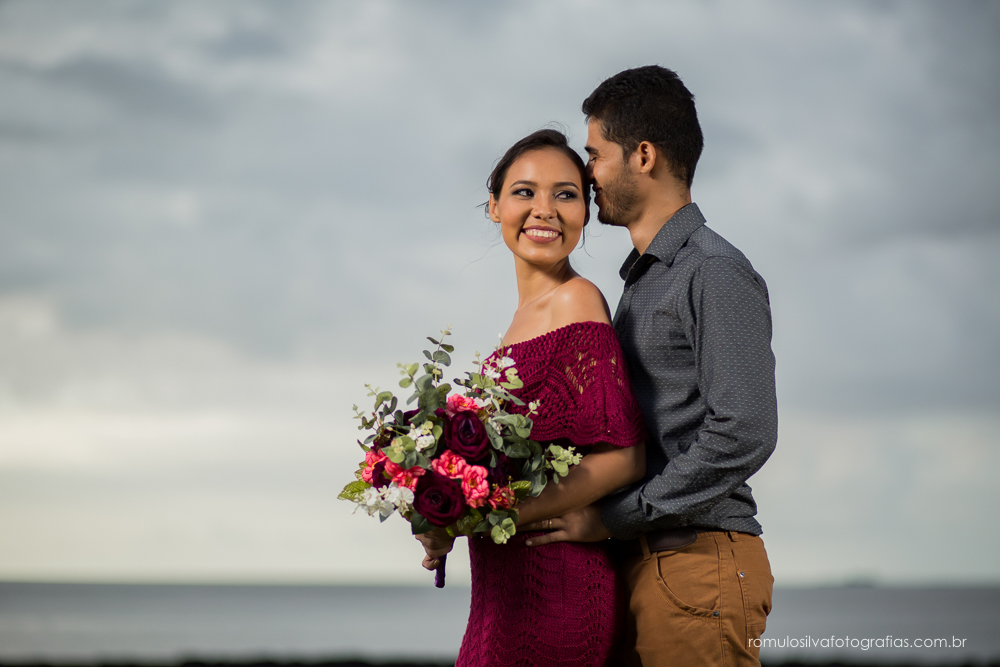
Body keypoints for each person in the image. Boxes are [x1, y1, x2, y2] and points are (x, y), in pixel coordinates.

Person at [522, 66, 778, 666]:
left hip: (696, 566)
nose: (586, 175)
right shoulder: (646, 279)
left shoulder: (712, 271)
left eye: (594, 154)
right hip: (651, 564)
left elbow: (744, 431)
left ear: (642, 155)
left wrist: (615, 517)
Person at [417, 129, 648, 666]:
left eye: (566, 194)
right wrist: (444, 517)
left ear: (586, 212)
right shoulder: (521, 324)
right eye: (524, 192)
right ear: (494, 206)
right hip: (504, 595)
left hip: (557, 587)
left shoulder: (578, 301)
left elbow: (624, 456)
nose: (544, 210)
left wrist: (496, 516)